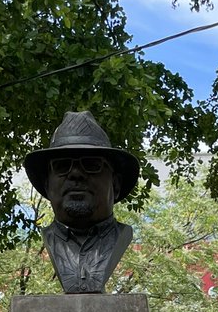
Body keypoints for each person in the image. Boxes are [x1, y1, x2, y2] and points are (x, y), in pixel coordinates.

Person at [23, 111, 139, 293]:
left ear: (115, 184)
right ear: (47, 185)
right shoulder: (49, 239)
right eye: (62, 165)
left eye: (91, 164)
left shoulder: (122, 236)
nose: (76, 173)